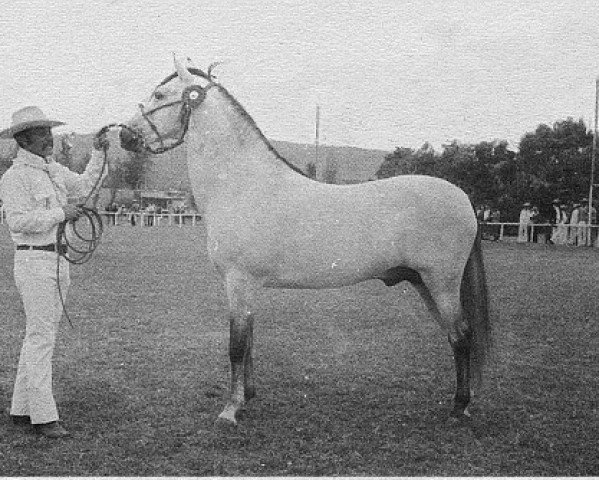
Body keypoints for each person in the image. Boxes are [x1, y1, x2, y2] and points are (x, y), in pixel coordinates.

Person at [0, 106, 108, 438]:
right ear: (23, 139)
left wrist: (99, 152)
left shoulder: (53, 169)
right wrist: (61, 213)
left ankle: (21, 409)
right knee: (41, 338)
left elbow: (87, 183)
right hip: (34, 262)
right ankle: (44, 417)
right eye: (41, 132)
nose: (49, 137)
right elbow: (17, 221)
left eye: (48, 131)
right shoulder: (14, 177)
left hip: (57, 261)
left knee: (38, 335)